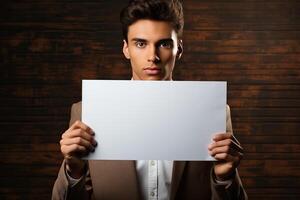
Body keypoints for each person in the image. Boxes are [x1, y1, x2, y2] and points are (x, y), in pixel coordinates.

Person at [52, 0, 247, 199]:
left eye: (163, 43)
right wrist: (73, 172)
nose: (152, 56)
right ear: (126, 49)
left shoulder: (213, 112)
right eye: (140, 43)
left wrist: (226, 177)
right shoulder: (87, 111)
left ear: (178, 49)